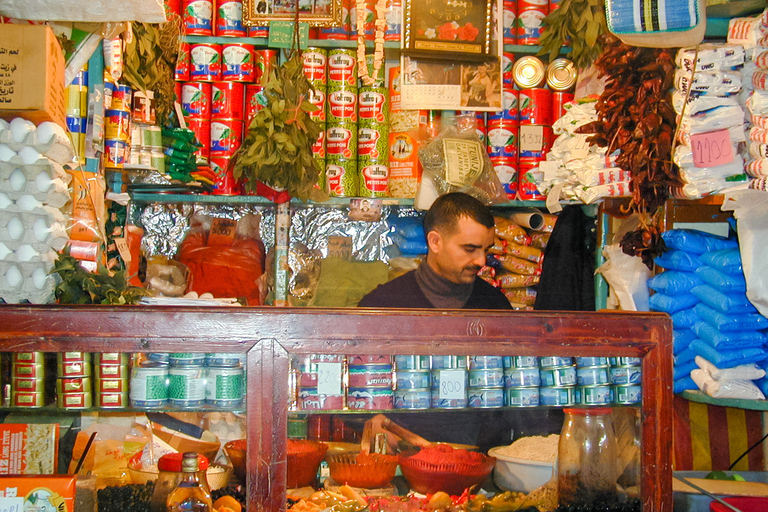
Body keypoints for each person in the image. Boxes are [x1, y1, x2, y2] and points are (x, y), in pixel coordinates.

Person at [358, 192, 511, 310]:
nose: (482, 261)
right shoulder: (383, 305)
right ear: (435, 242)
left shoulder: (495, 306)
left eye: (486, 250)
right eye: (469, 249)